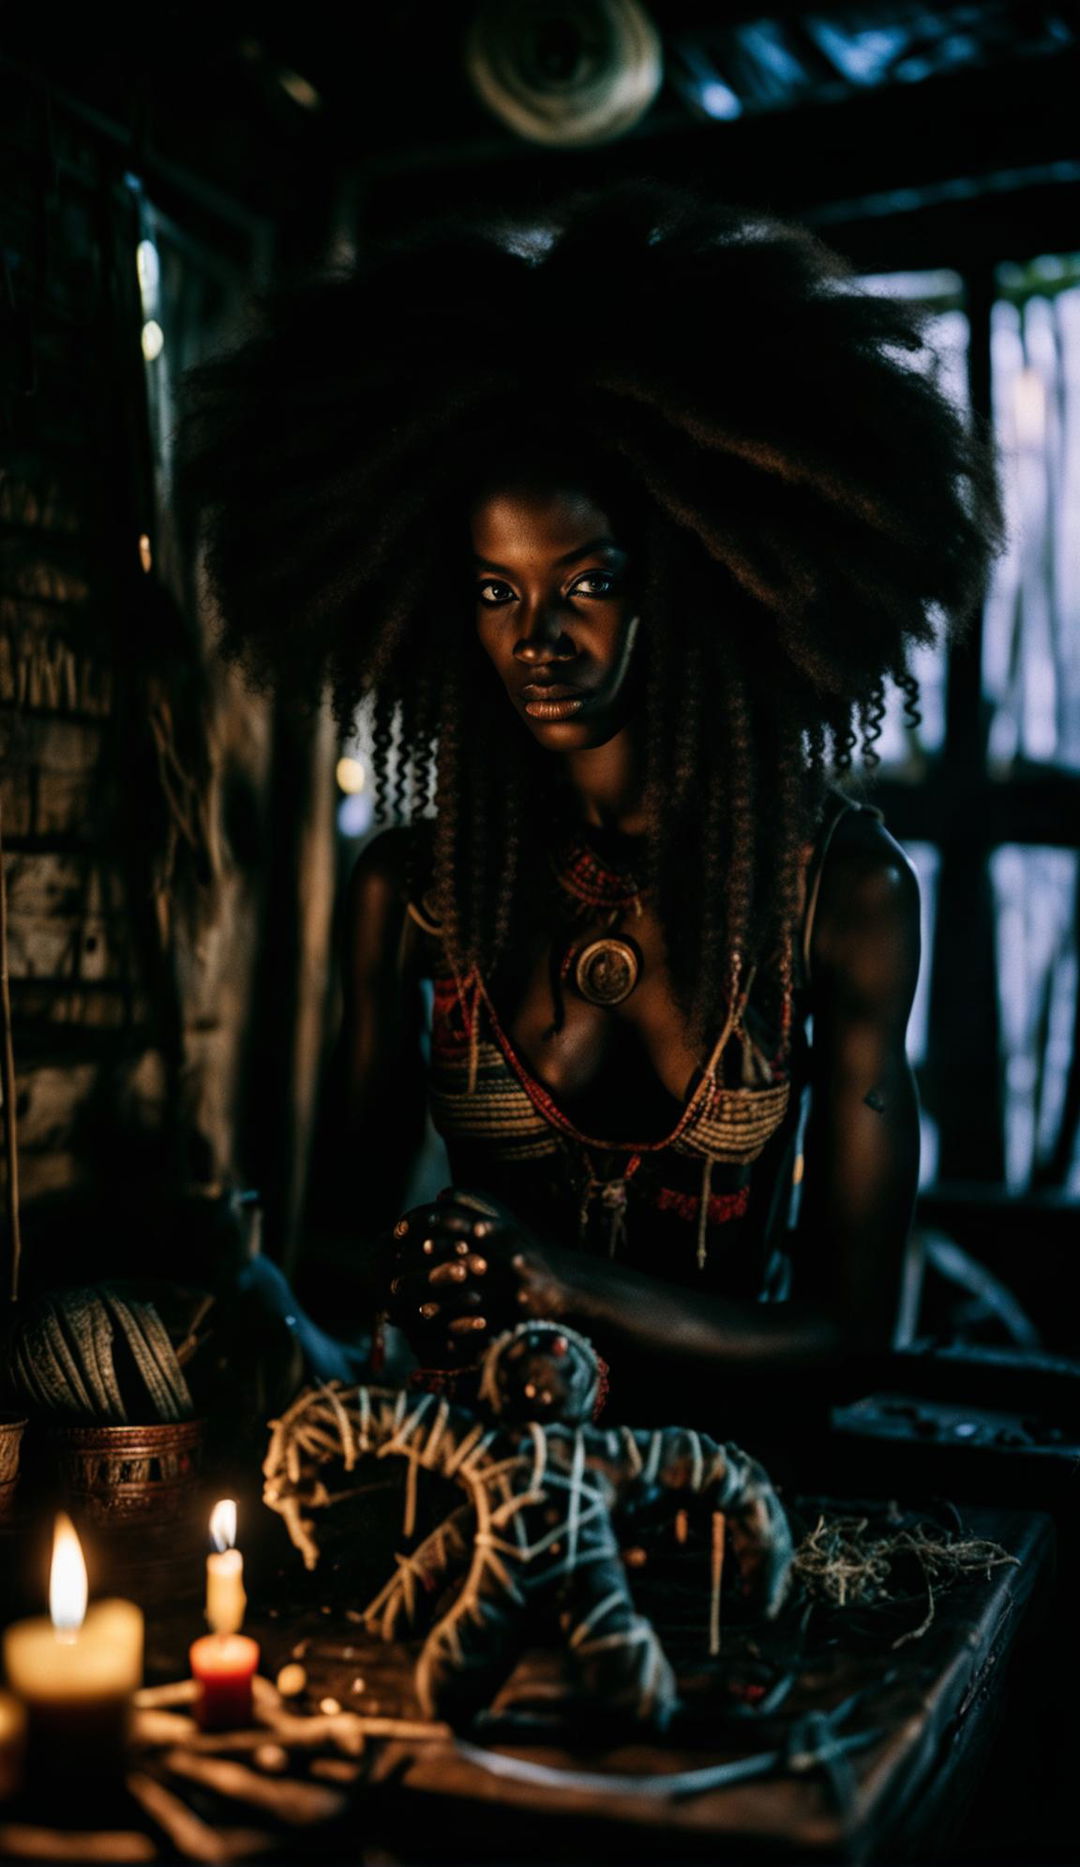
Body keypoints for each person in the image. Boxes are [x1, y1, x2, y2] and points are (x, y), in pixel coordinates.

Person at [183, 185, 1000, 1425]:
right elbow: (339, 1259)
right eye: (496, 593)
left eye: (588, 584)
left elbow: (851, 1335)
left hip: (728, 1506)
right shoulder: (412, 891)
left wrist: (566, 1282)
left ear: (695, 576)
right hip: (466, 1477)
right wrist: (355, 1291)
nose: (539, 640)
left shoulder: (842, 892)